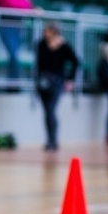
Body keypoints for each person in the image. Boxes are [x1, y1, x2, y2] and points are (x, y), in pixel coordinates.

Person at [35, 22, 80, 151]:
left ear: (54, 32)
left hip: (57, 82)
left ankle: (53, 141)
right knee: (47, 112)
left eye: (48, 31)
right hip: (43, 82)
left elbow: (76, 62)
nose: (45, 33)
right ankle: (50, 140)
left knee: (50, 110)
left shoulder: (64, 46)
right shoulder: (41, 44)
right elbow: (40, 63)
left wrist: (70, 80)